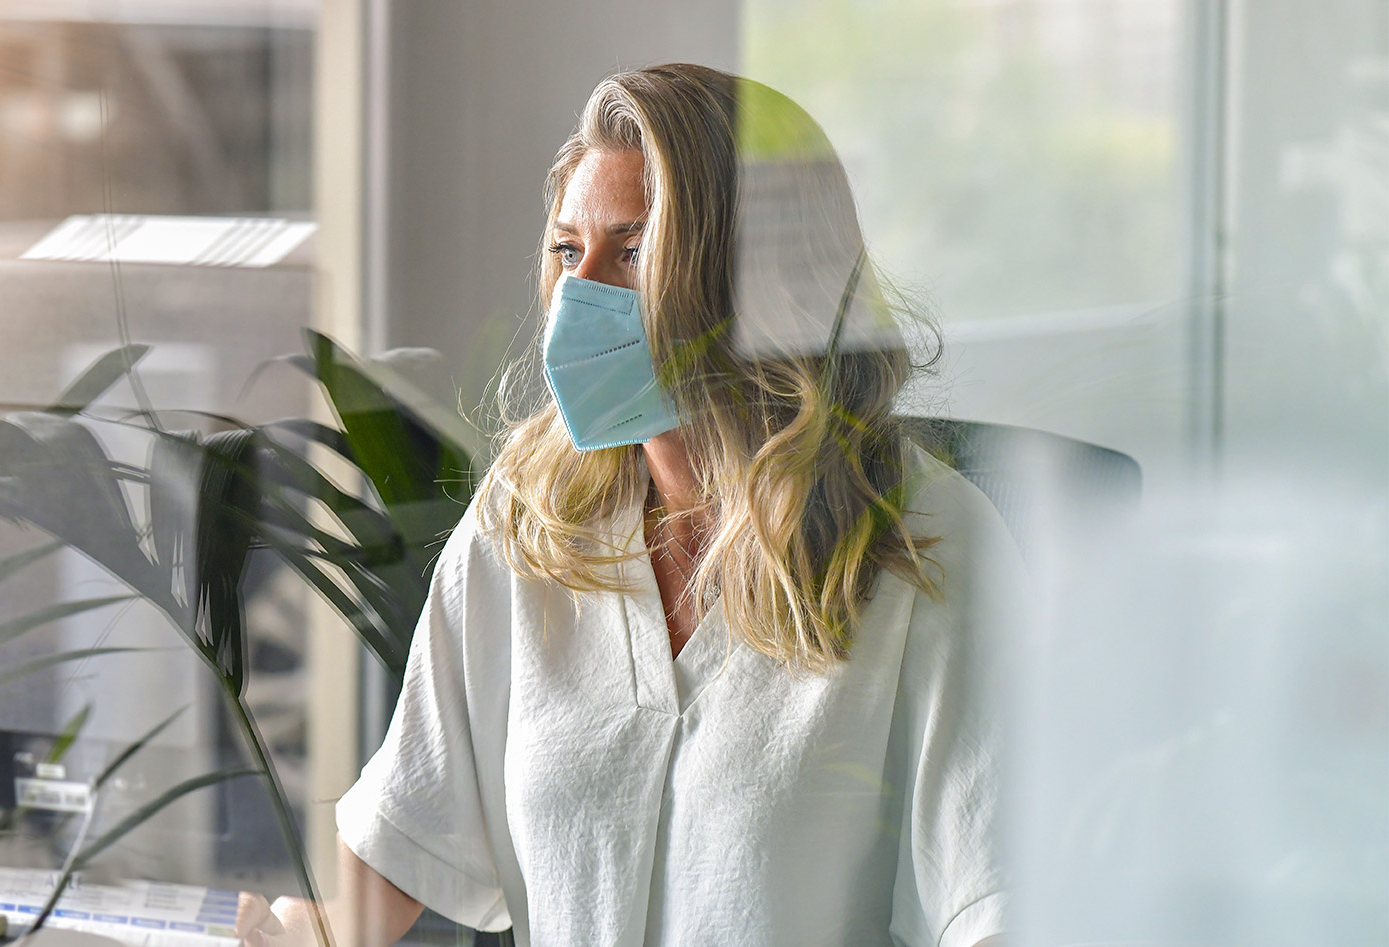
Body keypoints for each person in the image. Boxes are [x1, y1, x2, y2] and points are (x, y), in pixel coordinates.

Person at [240, 64, 1015, 947]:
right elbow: (405, 837)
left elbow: (998, 906)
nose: (581, 291)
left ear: (754, 280)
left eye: (633, 251)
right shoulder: (531, 513)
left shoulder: (929, 540)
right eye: (570, 250)